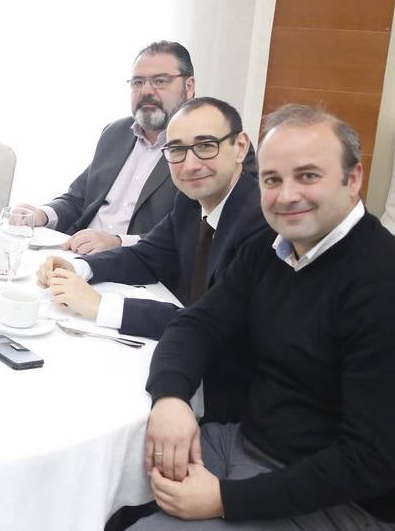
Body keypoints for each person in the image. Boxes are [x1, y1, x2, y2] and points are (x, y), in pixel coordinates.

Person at [107, 105, 395, 531]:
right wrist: (171, 398)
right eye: (273, 179)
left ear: (354, 177)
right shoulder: (274, 251)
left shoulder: (394, 294)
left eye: (308, 176)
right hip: (254, 449)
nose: (287, 194)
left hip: (347, 518)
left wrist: (225, 499)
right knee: (115, 475)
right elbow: (198, 323)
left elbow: (369, 464)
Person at [37, 97, 267, 419]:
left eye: (205, 146)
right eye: (177, 150)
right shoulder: (189, 201)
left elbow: (214, 325)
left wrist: (100, 306)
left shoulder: (261, 221)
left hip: (235, 404)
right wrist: (78, 267)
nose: (190, 164)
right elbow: (146, 257)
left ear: (240, 147)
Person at [13, 41, 195, 255]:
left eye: (160, 81)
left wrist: (117, 242)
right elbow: (78, 199)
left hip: (137, 269)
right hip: (75, 254)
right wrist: (42, 214)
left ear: (189, 87)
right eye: (137, 82)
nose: (146, 91)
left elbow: (187, 234)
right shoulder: (116, 133)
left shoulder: (200, 150)